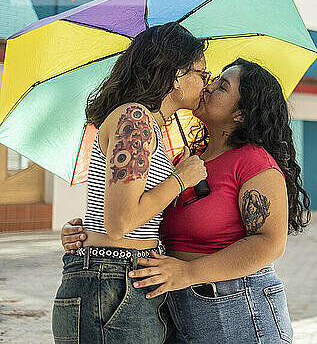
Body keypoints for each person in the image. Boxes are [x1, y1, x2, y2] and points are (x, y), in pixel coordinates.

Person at [62, 59, 311, 343]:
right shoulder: (186, 163)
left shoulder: (253, 160)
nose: (209, 86)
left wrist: (189, 272)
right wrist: (86, 233)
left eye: (222, 87)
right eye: (214, 79)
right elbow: (137, 213)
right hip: (180, 312)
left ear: (240, 113)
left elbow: (270, 243)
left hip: (240, 309)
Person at [52, 22, 209, 343]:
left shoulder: (143, 122)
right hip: (112, 285)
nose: (206, 84)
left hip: (120, 281)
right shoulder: (134, 120)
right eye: (201, 74)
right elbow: (121, 222)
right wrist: (180, 180)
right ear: (177, 76)